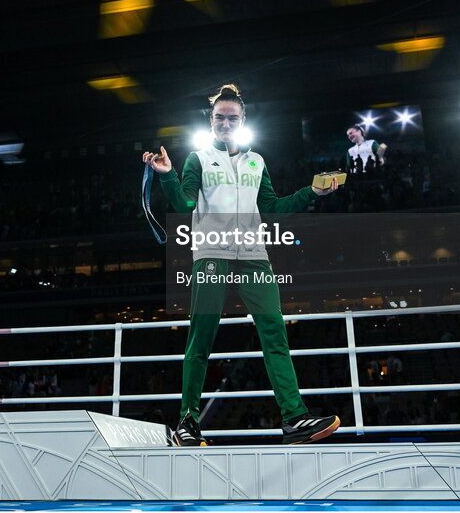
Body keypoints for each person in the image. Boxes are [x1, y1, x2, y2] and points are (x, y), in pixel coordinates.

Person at [143, 84, 340, 446]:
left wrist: (312, 191)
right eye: (220, 118)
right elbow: (185, 206)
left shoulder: (256, 161)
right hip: (212, 255)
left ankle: (294, 419)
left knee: (275, 333)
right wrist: (167, 174)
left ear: (243, 120)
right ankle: (187, 421)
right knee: (201, 337)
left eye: (233, 118)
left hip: (254, 256)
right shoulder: (197, 159)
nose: (226, 123)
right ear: (211, 120)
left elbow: (272, 208)